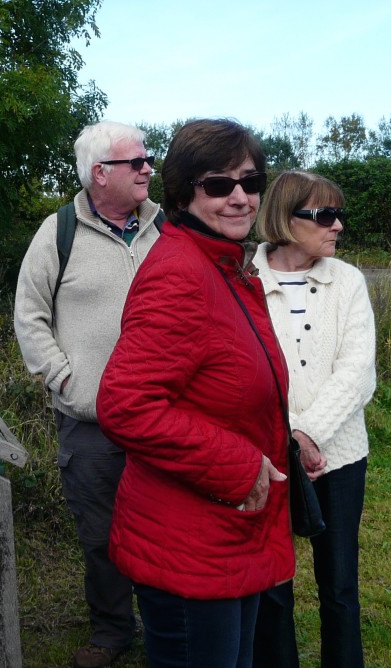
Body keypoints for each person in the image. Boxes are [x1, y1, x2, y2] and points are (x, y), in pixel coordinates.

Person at [96, 119, 295, 668]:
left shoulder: (227, 269)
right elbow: (126, 405)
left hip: (230, 530)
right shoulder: (181, 272)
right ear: (184, 193)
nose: (239, 198)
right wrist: (238, 464)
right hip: (190, 543)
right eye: (218, 184)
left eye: (250, 183)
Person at [13, 120, 163, 668]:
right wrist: (64, 377)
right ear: (100, 173)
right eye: (137, 162)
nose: (149, 168)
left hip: (161, 419)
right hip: (91, 421)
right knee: (101, 536)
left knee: (163, 527)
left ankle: (166, 626)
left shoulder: (165, 229)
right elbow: (29, 313)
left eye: (148, 160)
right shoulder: (58, 232)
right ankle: (111, 633)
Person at [251, 170, 377, 668]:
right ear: (286, 218)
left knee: (340, 583)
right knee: (272, 585)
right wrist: (287, 444)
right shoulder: (243, 280)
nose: (338, 226)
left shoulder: (347, 280)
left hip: (341, 456)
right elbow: (243, 371)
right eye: (324, 215)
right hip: (270, 459)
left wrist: (306, 434)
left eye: (338, 214)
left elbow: (357, 371)